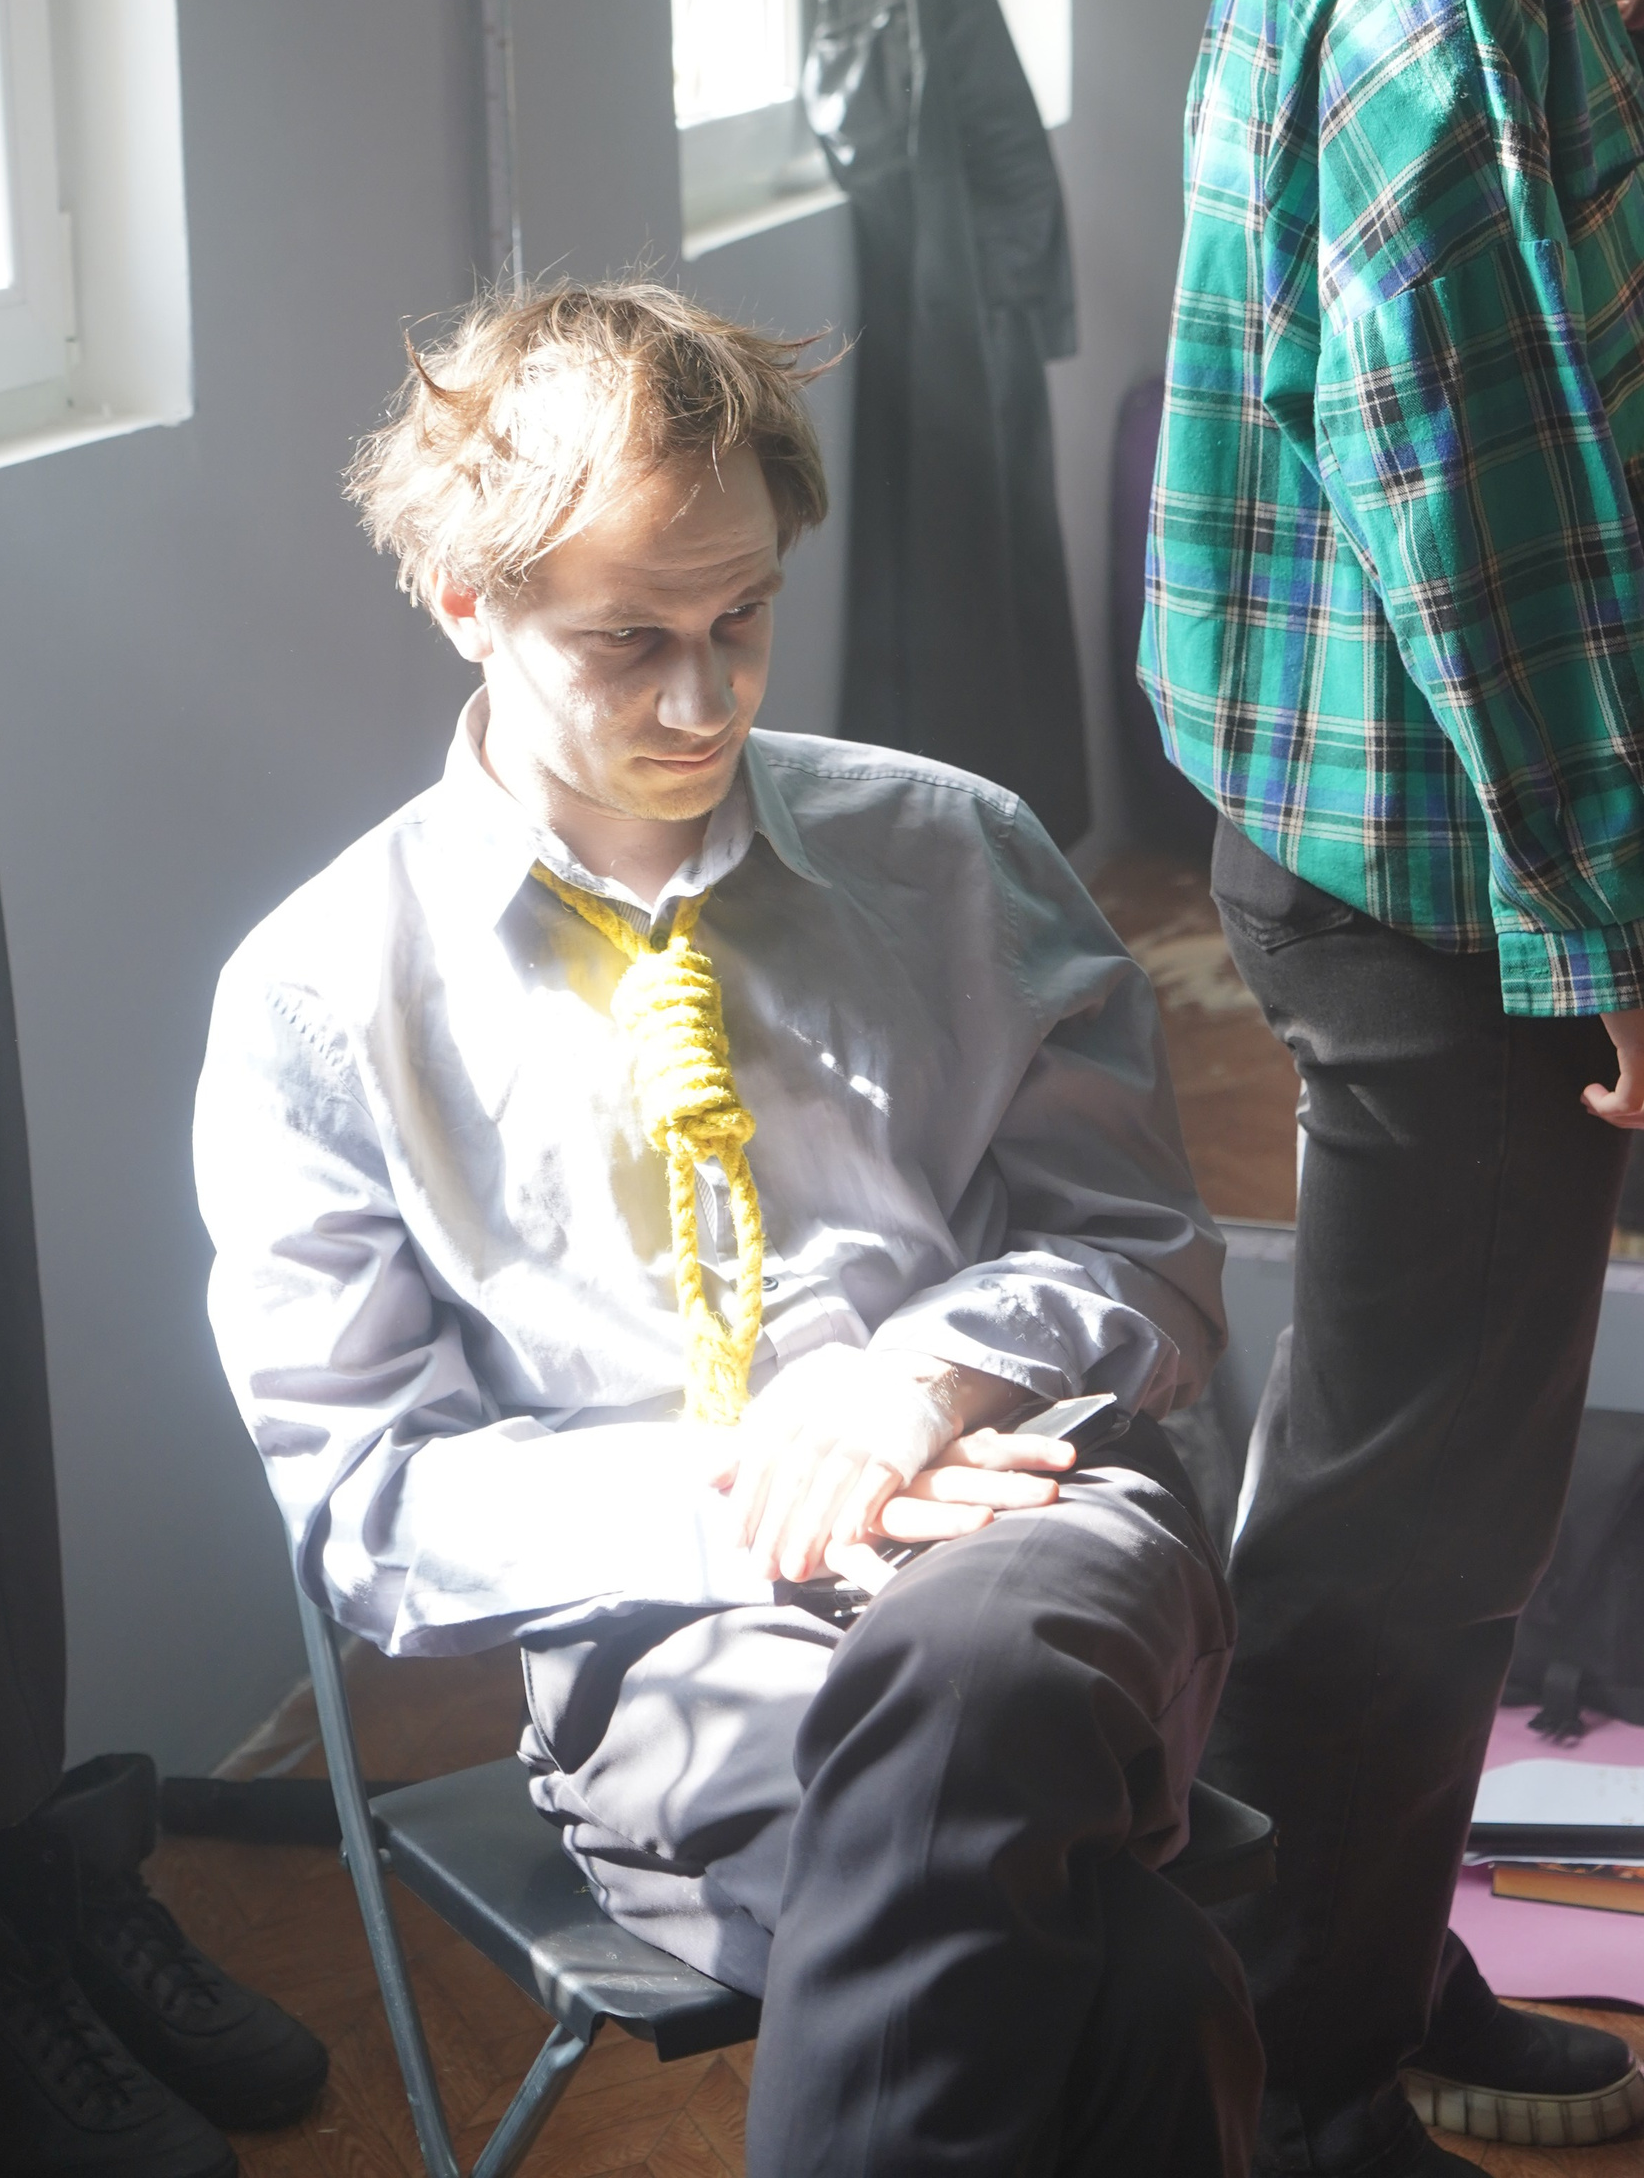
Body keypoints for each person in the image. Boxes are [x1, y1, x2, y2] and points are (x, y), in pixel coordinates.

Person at [195, 282, 1260, 2177]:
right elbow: (366, 1502)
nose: (706, 700)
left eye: (742, 619)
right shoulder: (321, 996)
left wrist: (918, 1384)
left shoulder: (953, 853)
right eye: (628, 641)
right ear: (467, 601)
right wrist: (759, 1499)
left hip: (1039, 1522)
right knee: (1131, 1980)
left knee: (986, 1677)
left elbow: (1153, 1261)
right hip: (680, 1653)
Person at [1143, 0, 1644, 2175]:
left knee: (1414, 1484)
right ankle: (1292, 2079)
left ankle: (1358, 1963)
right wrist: (1616, 919)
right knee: (1407, 1514)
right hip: (1446, 859)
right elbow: (1484, 486)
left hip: (1357, 812)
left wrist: (1599, 14)